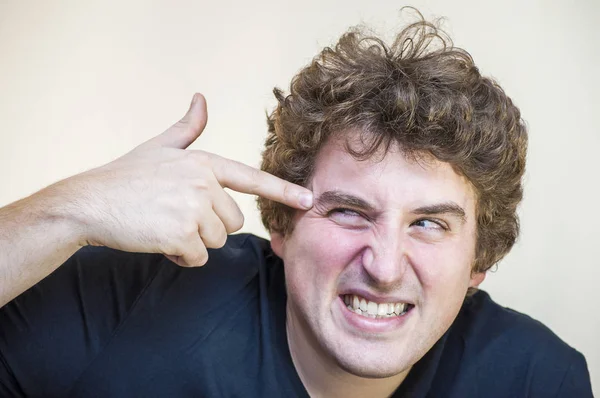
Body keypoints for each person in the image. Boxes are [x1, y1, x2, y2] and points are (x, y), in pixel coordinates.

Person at [0, 13, 593, 398]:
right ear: (281, 225)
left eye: (430, 224)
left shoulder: (538, 380)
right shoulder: (139, 290)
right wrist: (68, 211)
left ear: (478, 264)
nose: (384, 266)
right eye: (348, 212)